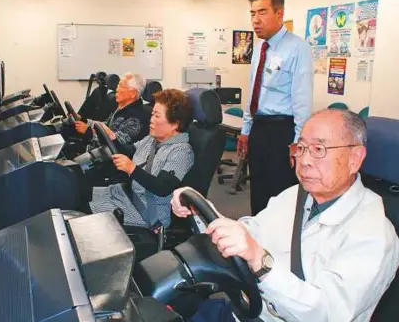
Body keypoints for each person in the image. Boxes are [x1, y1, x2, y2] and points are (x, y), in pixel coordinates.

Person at [171, 109, 399, 322]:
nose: (305, 160)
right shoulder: (297, 195)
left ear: (355, 158)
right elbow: (251, 230)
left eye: (319, 149)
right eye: (301, 148)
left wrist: (260, 261)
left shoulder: (374, 234)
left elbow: (328, 313)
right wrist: (203, 213)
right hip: (249, 308)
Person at [237, 0, 313, 215]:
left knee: (280, 193)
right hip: (259, 128)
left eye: (262, 12)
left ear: (279, 14)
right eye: (252, 13)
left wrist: (298, 141)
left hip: (282, 130)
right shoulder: (260, 47)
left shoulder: (298, 48)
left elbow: (302, 99)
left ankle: (278, 246)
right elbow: (253, 92)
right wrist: (246, 130)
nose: (255, 20)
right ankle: (256, 239)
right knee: (258, 189)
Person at [89, 89, 194, 228]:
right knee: (82, 194)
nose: (151, 120)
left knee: (86, 213)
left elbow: (162, 188)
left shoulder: (181, 152)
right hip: (128, 195)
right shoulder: (152, 139)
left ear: (175, 124)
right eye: (152, 114)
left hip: (148, 212)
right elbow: (129, 150)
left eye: (157, 116)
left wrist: (132, 169)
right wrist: (112, 138)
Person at [74, 73, 150, 146]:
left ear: (133, 93)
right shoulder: (121, 107)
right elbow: (106, 125)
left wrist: (89, 132)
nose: (117, 89)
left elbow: (118, 143)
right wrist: (84, 120)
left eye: (121, 86)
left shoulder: (136, 119)